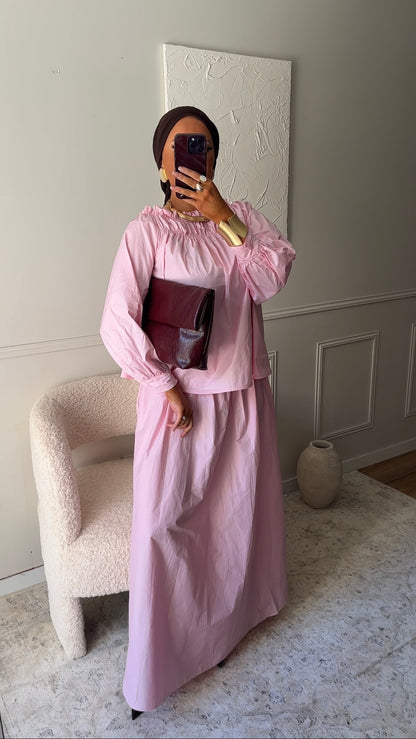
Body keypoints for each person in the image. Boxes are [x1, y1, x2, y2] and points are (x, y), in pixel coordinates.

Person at [100, 105, 296, 717]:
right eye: (183, 144)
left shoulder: (242, 219)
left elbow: (270, 281)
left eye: (205, 145)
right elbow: (116, 321)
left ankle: (225, 631)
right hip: (178, 404)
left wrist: (223, 217)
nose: (196, 153)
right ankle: (157, 665)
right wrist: (164, 384)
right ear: (162, 161)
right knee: (165, 527)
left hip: (243, 394)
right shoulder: (147, 232)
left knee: (233, 520)